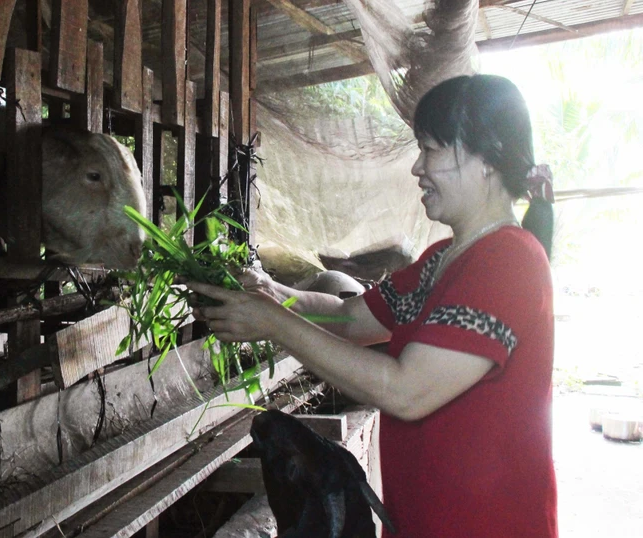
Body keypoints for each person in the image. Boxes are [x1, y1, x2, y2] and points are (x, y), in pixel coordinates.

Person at [188, 74, 558, 538]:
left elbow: (407, 391)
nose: (418, 167)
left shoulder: (509, 261)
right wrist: (275, 293)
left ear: (485, 157)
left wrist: (274, 324)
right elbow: (348, 317)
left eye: (432, 149)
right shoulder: (440, 261)